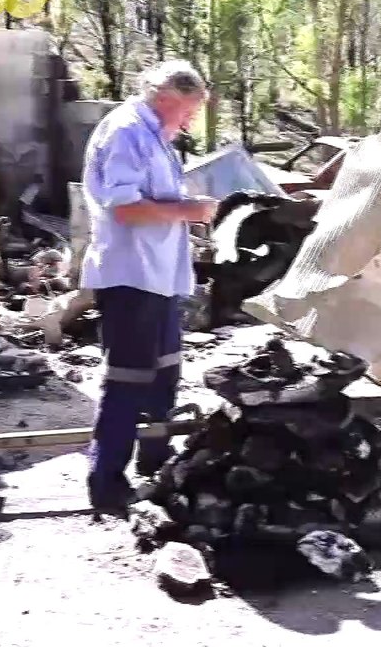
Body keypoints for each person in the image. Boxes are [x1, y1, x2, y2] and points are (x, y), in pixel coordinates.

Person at [79, 60, 217, 511]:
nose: (190, 120)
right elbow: (126, 208)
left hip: (157, 277)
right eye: (188, 111)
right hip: (130, 276)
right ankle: (106, 482)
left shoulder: (155, 135)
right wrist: (189, 211)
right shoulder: (127, 132)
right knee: (128, 378)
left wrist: (186, 212)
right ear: (165, 99)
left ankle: (155, 459)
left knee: (164, 373)